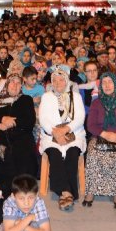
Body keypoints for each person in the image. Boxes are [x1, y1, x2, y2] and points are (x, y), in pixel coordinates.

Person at [84, 72, 116, 209]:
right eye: (104, 82)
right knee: (93, 154)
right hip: (100, 137)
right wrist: (105, 134)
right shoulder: (96, 103)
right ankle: (91, 191)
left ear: (115, 84)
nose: (107, 85)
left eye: (110, 82)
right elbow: (90, 125)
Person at [38, 68, 86, 211]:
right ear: (51, 83)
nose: (58, 82)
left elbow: (80, 118)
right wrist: (56, 134)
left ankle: (64, 193)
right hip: (51, 135)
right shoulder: (46, 96)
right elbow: (43, 119)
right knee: (55, 154)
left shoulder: (75, 96)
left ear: (67, 81)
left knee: (72, 153)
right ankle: (67, 192)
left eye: (61, 79)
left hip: (74, 134)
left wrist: (65, 130)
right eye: (55, 80)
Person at [0, 73, 38, 179]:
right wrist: (1, 119)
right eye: (12, 82)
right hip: (1, 135)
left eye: (18, 83)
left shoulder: (26, 99)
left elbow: (30, 121)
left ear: (21, 86)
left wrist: (11, 124)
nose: (15, 85)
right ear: (7, 84)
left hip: (21, 134)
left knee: (23, 150)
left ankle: (22, 184)